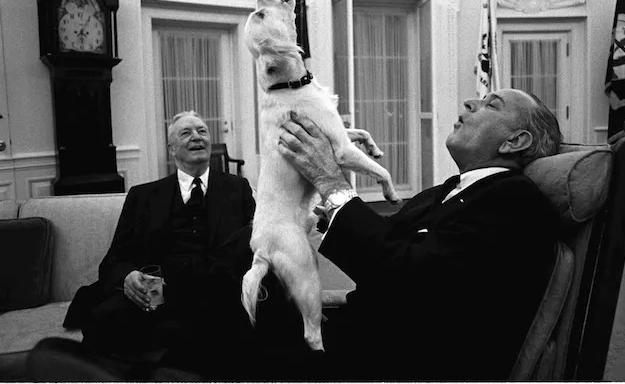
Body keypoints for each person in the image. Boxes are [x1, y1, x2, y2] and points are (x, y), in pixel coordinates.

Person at [277, 88, 563, 381]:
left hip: (389, 362)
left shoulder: (515, 200)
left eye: (492, 105)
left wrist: (330, 181)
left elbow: (409, 275)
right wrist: (330, 212)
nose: (469, 102)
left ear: (514, 141)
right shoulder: (447, 190)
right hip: (350, 339)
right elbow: (388, 242)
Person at [62, 111, 302, 380]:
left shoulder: (238, 188)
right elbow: (114, 259)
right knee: (102, 323)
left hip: (220, 296)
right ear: (172, 149)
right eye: (186, 133)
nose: (197, 137)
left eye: (202, 131)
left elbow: (260, 245)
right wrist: (128, 276)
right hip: (160, 297)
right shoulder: (143, 196)